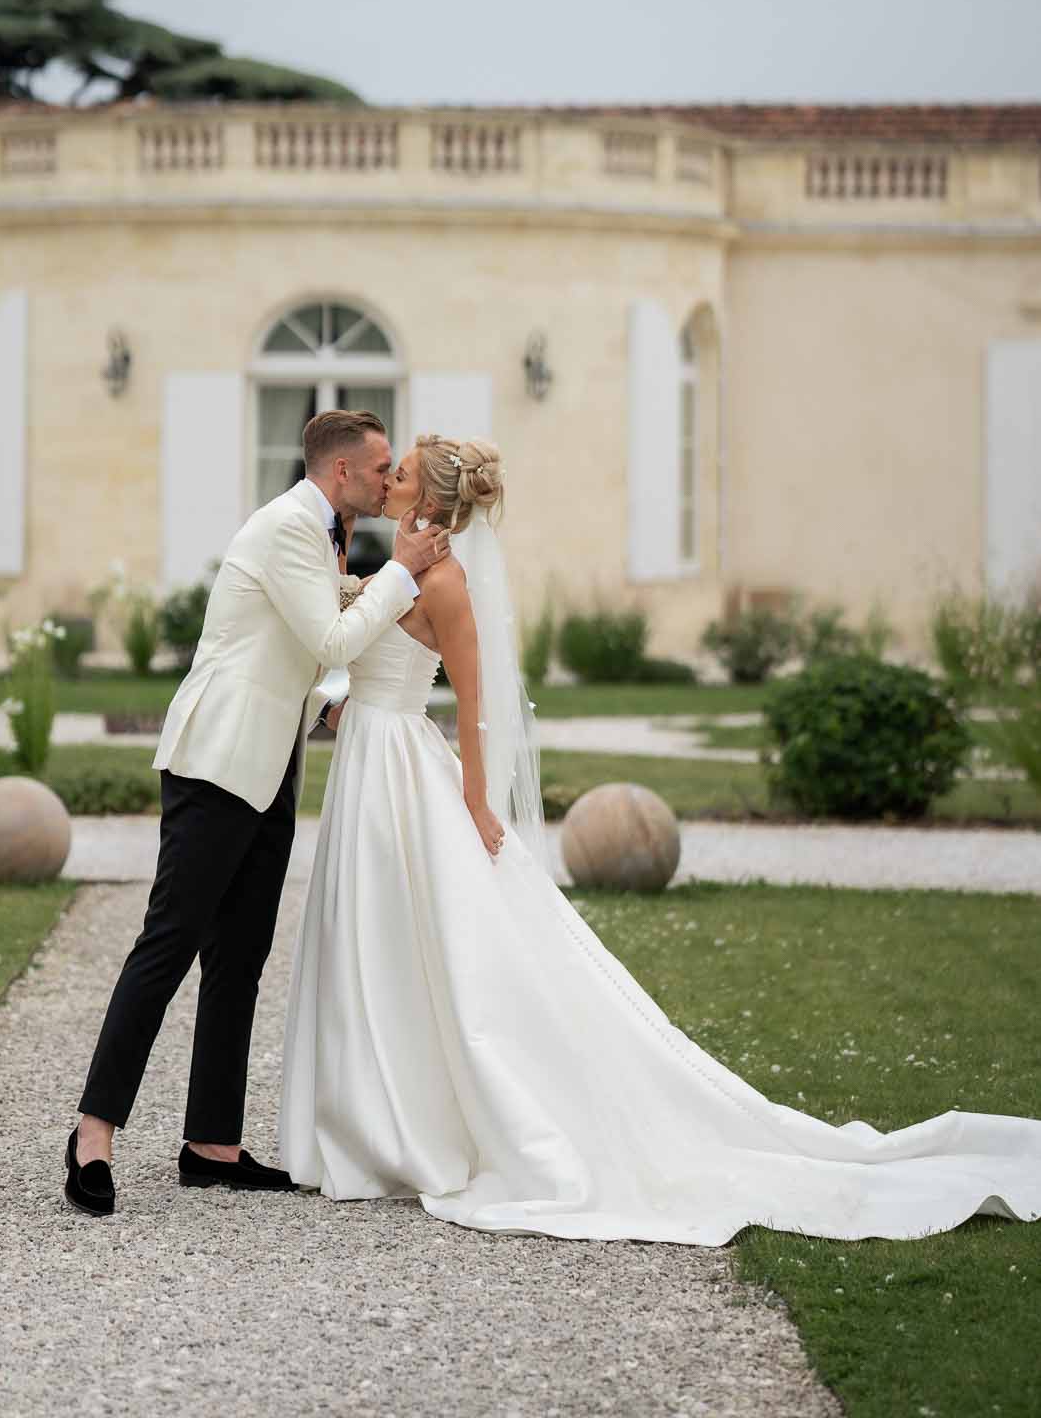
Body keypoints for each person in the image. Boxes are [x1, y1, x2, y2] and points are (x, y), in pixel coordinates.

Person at [279, 432, 1041, 1244]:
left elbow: (475, 703)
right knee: (374, 936)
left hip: (401, 770)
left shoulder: (448, 584)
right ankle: (371, 1119)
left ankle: (417, 1129)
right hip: (368, 760)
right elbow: (352, 652)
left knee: (427, 945)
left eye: (396, 475)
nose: (384, 481)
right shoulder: (399, 570)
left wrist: (475, 803)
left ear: (426, 502)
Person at [64, 409, 449, 1215]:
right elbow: (334, 637)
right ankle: (92, 1137)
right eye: (380, 468)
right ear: (341, 473)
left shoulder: (324, 531)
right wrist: (401, 573)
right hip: (215, 763)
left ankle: (211, 1143)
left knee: (239, 954)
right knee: (166, 946)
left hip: (271, 763)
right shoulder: (284, 528)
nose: (388, 480)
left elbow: (292, 652)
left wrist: (333, 709)